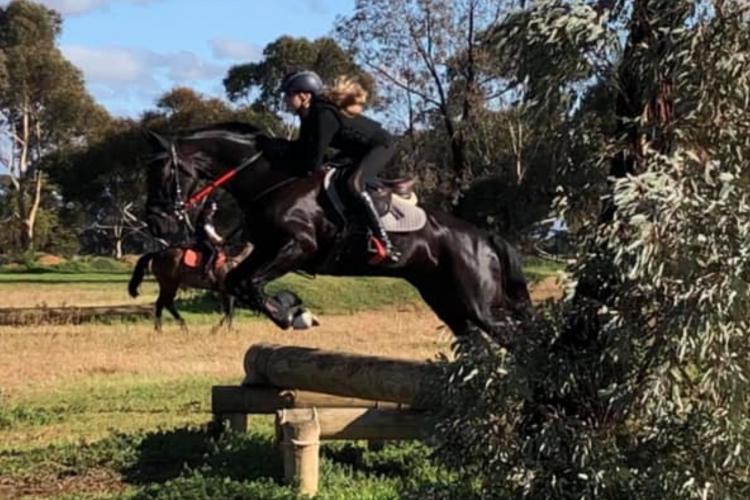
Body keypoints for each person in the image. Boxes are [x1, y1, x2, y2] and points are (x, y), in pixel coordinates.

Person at [275, 70, 400, 263]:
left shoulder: (323, 113)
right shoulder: (307, 114)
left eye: (289, 94)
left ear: (305, 95)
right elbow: (303, 149)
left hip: (380, 146)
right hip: (355, 150)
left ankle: (384, 242)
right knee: (333, 176)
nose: (286, 99)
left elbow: (314, 159)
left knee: (353, 184)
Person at [195, 200, 224, 281]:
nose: (213, 211)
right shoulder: (203, 217)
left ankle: (213, 269)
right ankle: (205, 270)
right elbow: (208, 230)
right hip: (200, 239)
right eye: (212, 209)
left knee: (218, 250)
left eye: (214, 209)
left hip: (207, 239)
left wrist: (219, 238)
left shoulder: (209, 218)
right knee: (211, 250)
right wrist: (217, 238)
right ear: (207, 209)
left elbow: (213, 230)